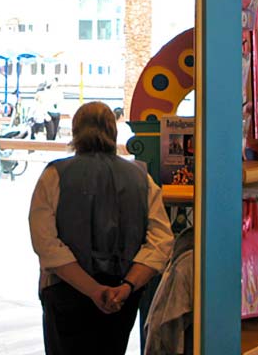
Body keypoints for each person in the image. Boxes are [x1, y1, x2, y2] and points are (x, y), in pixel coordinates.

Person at [28, 102, 173, 355]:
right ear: (113, 131)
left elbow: (46, 244)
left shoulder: (55, 175)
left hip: (66, 293)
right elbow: (161, 241)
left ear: (75, 131)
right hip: (122, 295)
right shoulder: (141, 177)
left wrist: (92, 290)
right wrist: (126, 287)